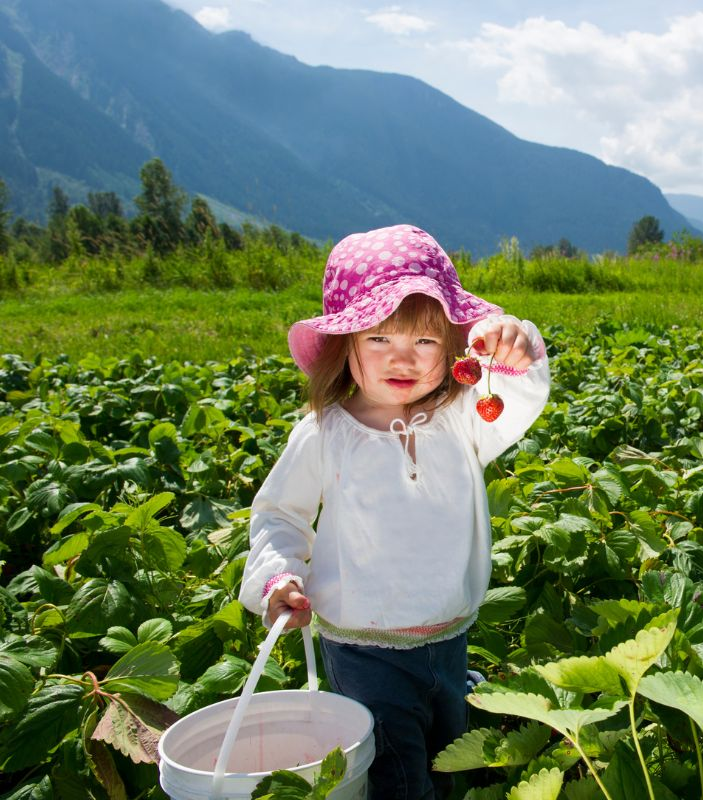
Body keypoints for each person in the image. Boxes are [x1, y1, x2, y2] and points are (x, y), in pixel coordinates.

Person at [238, 224, 550, 799]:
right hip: (361, 644)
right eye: (380, 338)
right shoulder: (326, 432)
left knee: (450, 749)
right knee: (397, 776)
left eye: (426, 342)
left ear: (454, 348)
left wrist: (513, 345)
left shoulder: (463, 418)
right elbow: (280, 513)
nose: (402, 358)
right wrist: (279, 577)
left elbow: (522, 395)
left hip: (450, 629)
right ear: (346, 343)